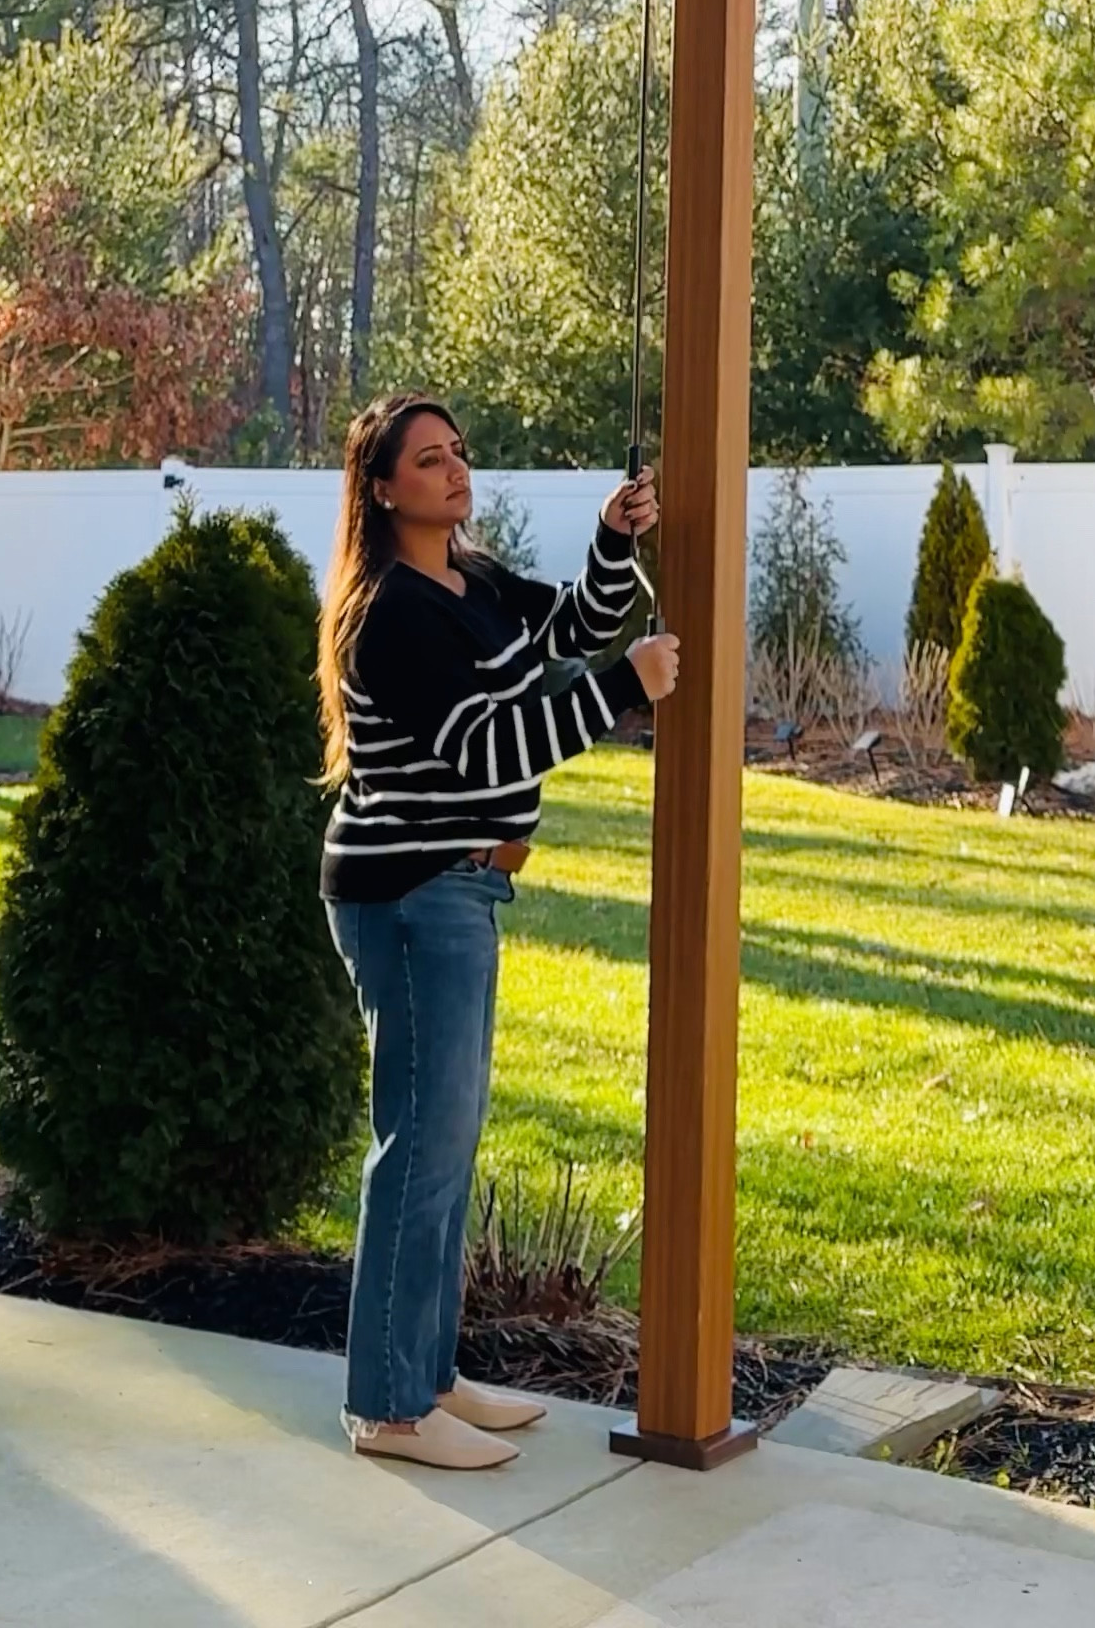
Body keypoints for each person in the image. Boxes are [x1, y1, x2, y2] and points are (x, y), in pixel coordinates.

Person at [318, 391, 679, 1471]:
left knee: (445, 1146)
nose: (453, 471)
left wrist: (613, 543)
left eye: (458, 454)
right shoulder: (387, 613)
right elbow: (489, 748)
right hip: (414, 894)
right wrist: (623, 688)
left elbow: (567, 626)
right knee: (417, 1153)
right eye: (429, 461)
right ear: (383, 489)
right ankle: (387, 1409)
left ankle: (426, 1378)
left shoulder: (467, 581)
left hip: (460, 892)